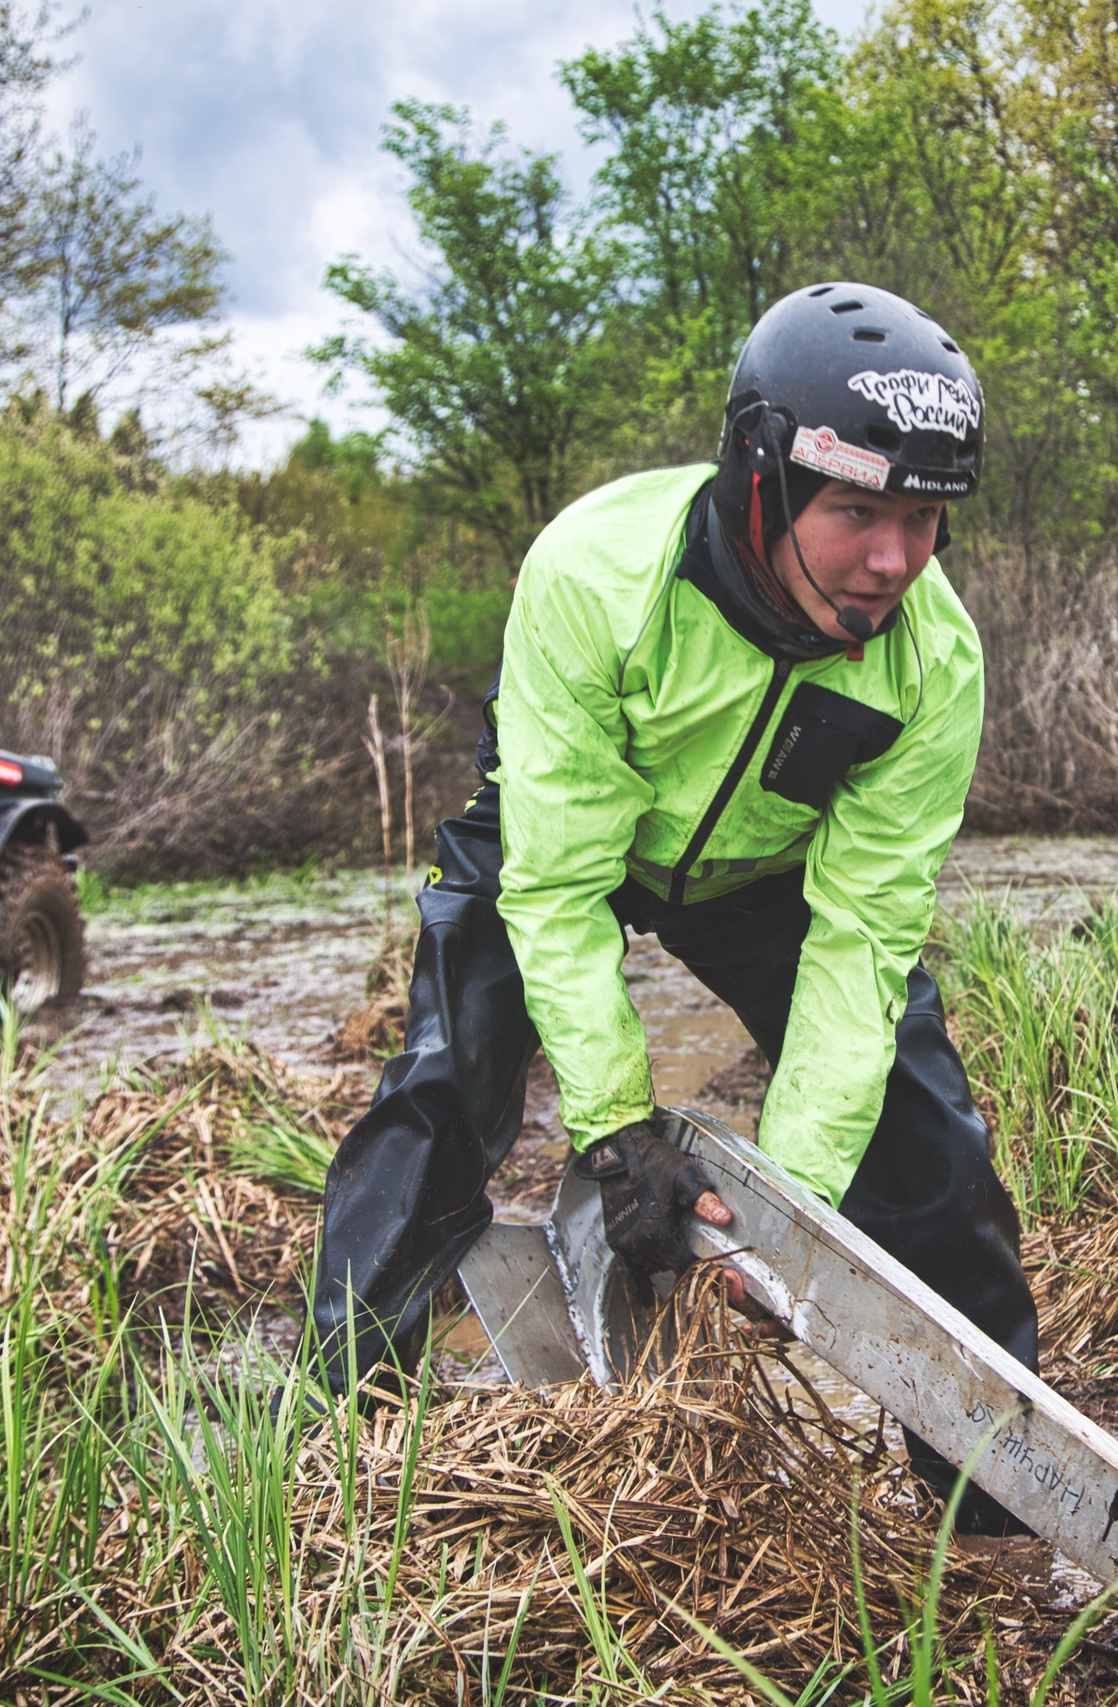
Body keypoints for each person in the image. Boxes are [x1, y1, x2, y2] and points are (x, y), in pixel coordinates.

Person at [310, 280, 1039, 1531]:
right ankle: (331, 1446)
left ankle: (996, 1517)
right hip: (559, 837)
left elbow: (861, 939)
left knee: (930, 1147)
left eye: (923, 519)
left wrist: (783, 1218)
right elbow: (556, 885)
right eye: (857, 511)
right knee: (447, 1085)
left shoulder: (936, 660)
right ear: (764, 481)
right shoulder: (595, 576)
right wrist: (611, 1128)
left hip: (762, 867)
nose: (892, 561)